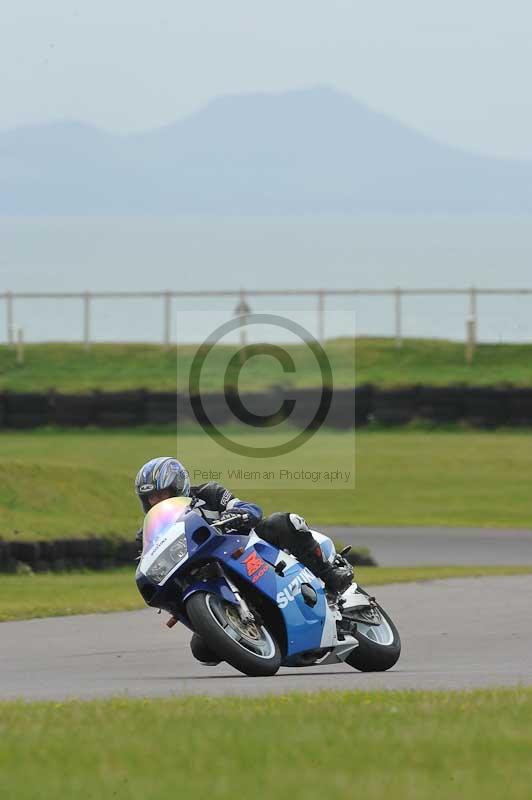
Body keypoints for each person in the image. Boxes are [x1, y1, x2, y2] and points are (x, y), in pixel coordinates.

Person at [134, 456, 353, 664]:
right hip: (206, 577)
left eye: (162, 494)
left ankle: (329, 574)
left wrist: (237, 514)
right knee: (202, 650)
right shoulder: (152, 530)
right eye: (151, 498)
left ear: (178, 485)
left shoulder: (209, 493)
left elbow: (250, 508)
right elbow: (145, 557)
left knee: (283, 522)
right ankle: (251, 633)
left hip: (245, 548)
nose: (157, 501)